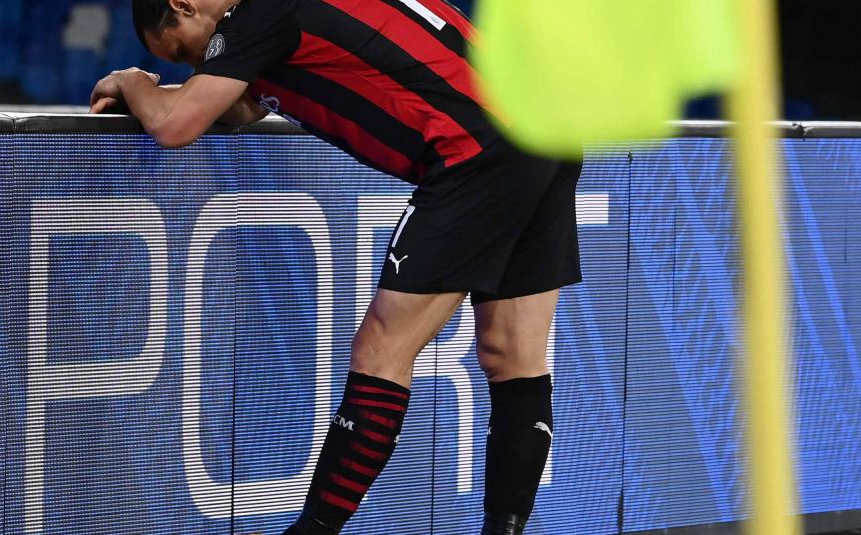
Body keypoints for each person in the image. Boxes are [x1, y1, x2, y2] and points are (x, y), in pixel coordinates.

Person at [90, 0, 583, 533]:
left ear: (184, 4)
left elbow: (174, 126)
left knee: (380, 351)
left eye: (185, 51)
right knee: (513, 355)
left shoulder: (255, 12)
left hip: (479, 149)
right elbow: (241, 106)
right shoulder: (280, 17)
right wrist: (172, 94)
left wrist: (134, 81)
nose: (196, 65)